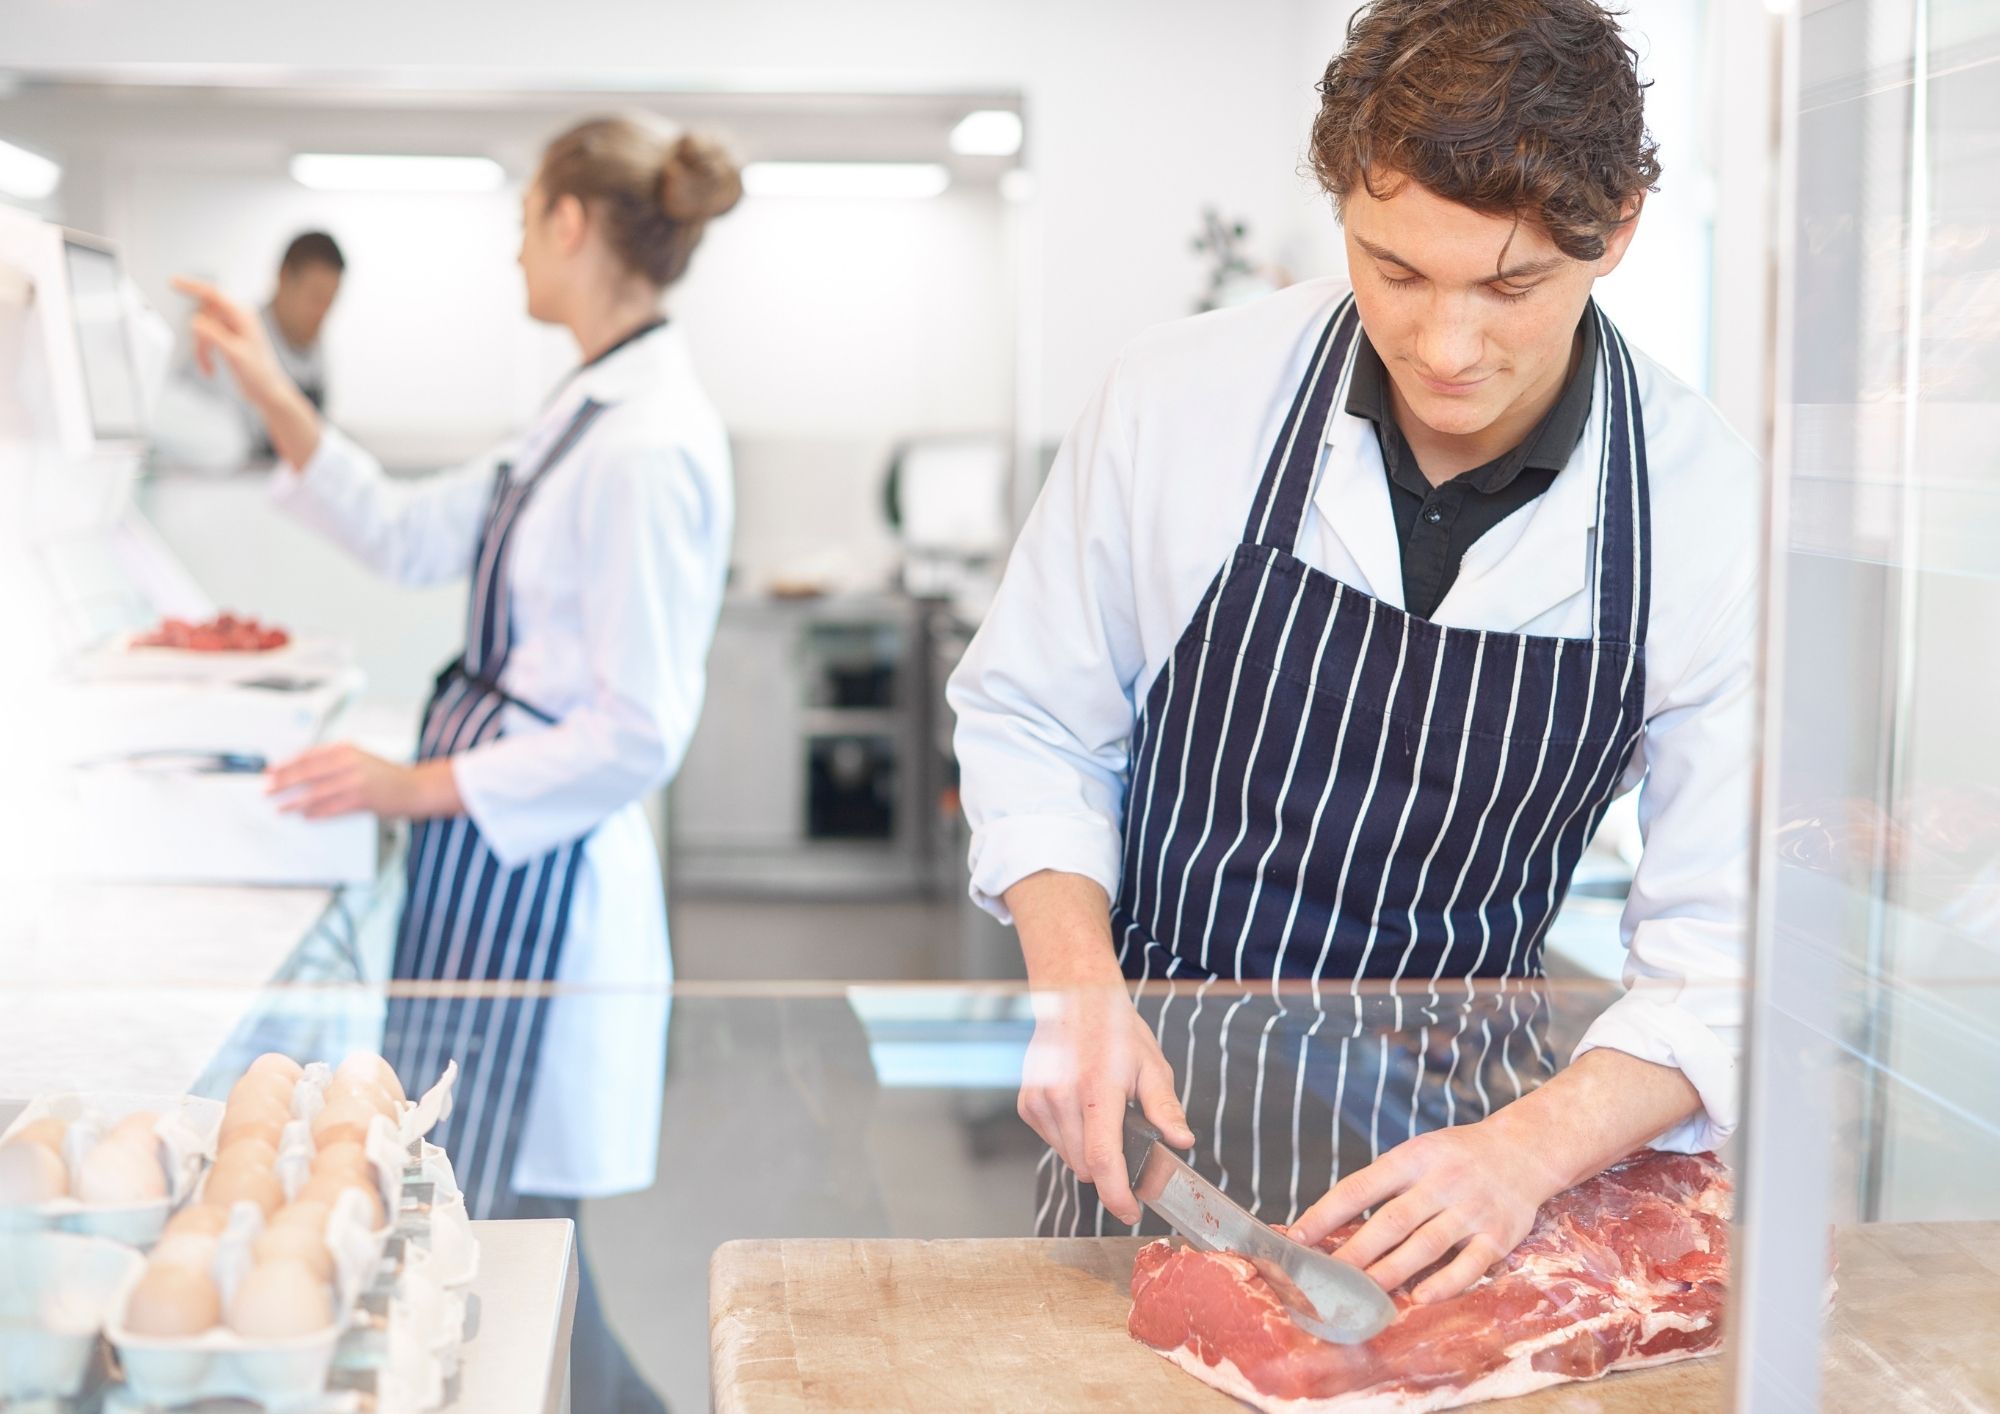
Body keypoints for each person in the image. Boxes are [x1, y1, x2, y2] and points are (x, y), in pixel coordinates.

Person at [948, 0, 1756, 1307]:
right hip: (1151, 1138)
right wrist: (1074, 982)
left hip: (1470, 1173)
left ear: (1618, 235)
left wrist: (1525, 1152)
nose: (1446, 347)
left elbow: (1729, 948)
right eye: (1396, 270)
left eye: (1511, 285)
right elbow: (1035, 720)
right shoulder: (1181, 402)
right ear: (1340, 210)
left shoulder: (1710, 507)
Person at [176, 115, 743, 1413]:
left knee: (511, 1266)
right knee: (502, 1260)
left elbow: (640, 730)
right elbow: (411, 528)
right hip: (493, 879)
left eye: (521, 221)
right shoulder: (583, 410)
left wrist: (409, 784)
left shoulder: (647, 441)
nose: (511, 256)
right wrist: (269, 386)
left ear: (571, 223)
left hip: (540, 897)